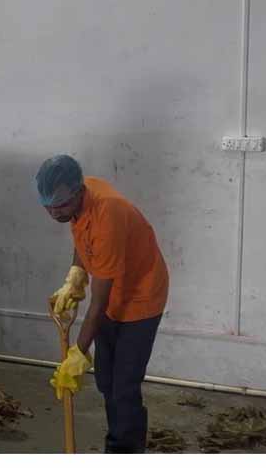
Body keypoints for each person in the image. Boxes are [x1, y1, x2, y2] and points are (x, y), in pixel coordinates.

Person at [38, 154, 169, 453]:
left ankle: (124, 452)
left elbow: (98, 304)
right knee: (106, 381)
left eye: (61, 207)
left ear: (79, 192)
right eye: (48, 207)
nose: (55, 214)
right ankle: (119, 442)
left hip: (140, 296)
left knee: (123, 387)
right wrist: (75, 276)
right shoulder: (76, 195)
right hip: (112, 292)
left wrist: (78, 354)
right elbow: (83, 237)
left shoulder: (108, 214)